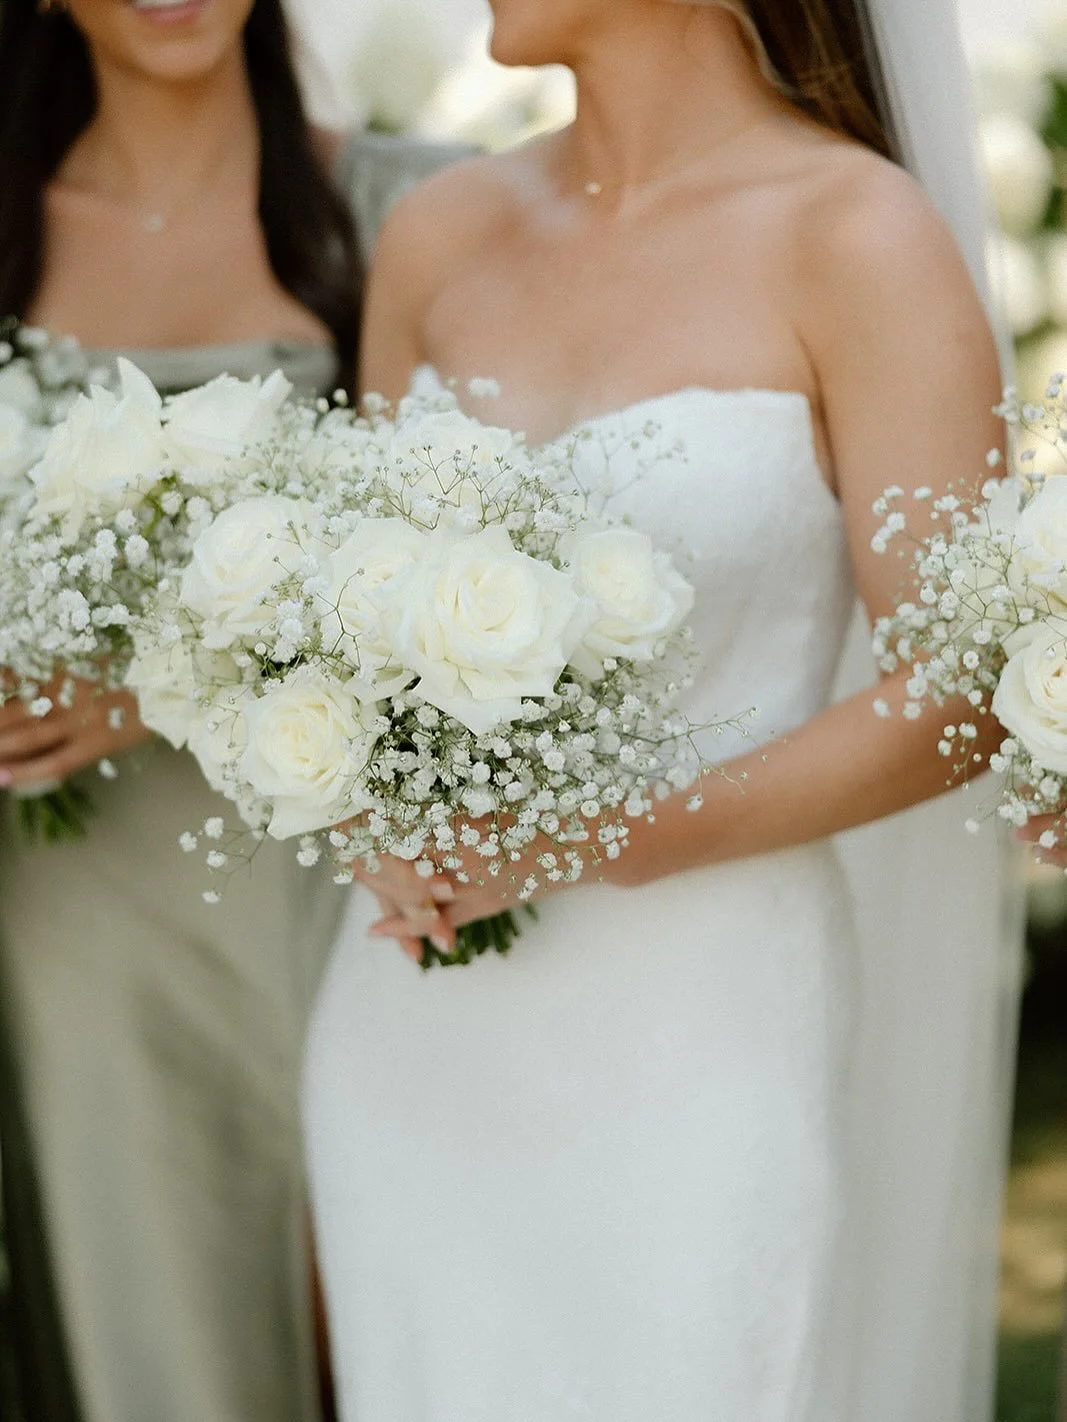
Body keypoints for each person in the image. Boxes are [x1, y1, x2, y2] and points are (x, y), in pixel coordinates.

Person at [303, 2, 1019, 1419]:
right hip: (413, 1021)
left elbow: (955, 696)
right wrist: (362, 813)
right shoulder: (439, 232)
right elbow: (354, 623)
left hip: (696, 1036)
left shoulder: (855, 237)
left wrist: (600, 834)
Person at [0, 3, 461, 1420]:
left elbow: (466, 549)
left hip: (350, 883)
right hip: (77, 912)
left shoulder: (399, 208)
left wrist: (157, 685)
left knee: (390, 1302)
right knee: (156, 1302)